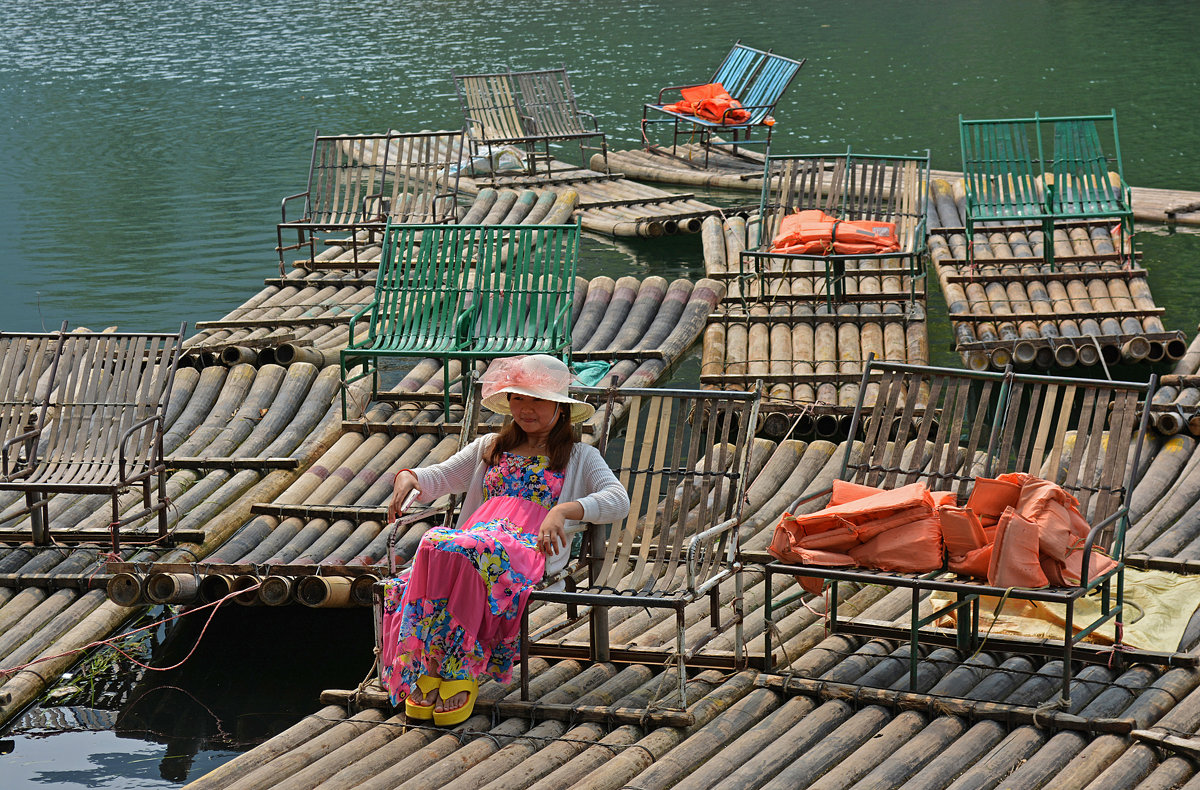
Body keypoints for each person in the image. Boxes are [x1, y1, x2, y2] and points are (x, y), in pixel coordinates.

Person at [378, 354, 631, 726]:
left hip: (525, 549)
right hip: (475, 540)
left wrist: (563, 511)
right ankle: (434, 664)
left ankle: (461, 669)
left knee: (463, 547)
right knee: (436, 542)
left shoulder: (580, 455)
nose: (526, 409)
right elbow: (440, 477)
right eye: (517, 398)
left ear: (560, 407)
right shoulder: (490, 446)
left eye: (537, 400)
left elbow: (617, 500)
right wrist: (409, 476)